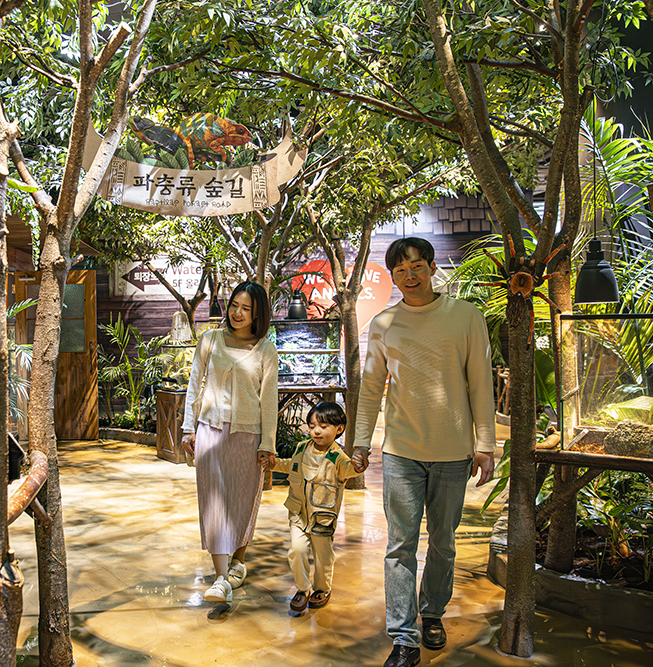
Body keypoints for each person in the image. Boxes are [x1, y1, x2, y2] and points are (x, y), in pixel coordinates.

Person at [350, 237, 496, 667]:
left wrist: (485, 444)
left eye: (417, 266)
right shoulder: (383, 323)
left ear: (432, 268)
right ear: (392, 276)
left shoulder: (465, 317)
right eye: (400, 270)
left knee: (444, 544)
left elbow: (480, 384)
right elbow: (372, 387)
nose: (409, 276)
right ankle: (403, 637)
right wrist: (361, 441)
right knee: (399, 546)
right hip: (400, 451)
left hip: (453, 452)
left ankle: (432, 612)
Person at [181, 281, 279, 604]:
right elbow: (195, 385)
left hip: (248, 436)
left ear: (257, 314)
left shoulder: (266, 350)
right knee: (214, 505)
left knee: (242, 502)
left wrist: (268, 442)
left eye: (246, 308)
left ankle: (238, 563)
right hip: (210, 431)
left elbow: (269, 400)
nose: (237, 313)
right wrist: (187, 428)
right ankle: (221, 579)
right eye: (234, 305)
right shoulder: (210, 341)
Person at [272, 401, 363, 613]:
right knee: (297, 550)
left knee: (323, 556)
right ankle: (302, 589)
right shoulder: (302, 448)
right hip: (298, 512)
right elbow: (290, 465)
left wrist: (359, 466)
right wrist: (273, 463)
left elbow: (350, 470)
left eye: (323, 426)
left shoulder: (337, 457)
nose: (316, 431)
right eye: (312, 426)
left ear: (339, 429)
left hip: (323, 516)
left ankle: (322, 588)